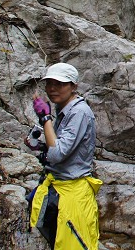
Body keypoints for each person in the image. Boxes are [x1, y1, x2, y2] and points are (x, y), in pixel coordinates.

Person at [27, 62, 102, 250]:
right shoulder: (64, 109)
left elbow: (58, 154)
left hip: (72, 191)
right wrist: (42, 146)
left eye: (59, 84)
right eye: (49, 83)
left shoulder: (79, 112)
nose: (52, 89)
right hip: (58, 185)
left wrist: (45, 120)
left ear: (73, 86)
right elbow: (60, 147)